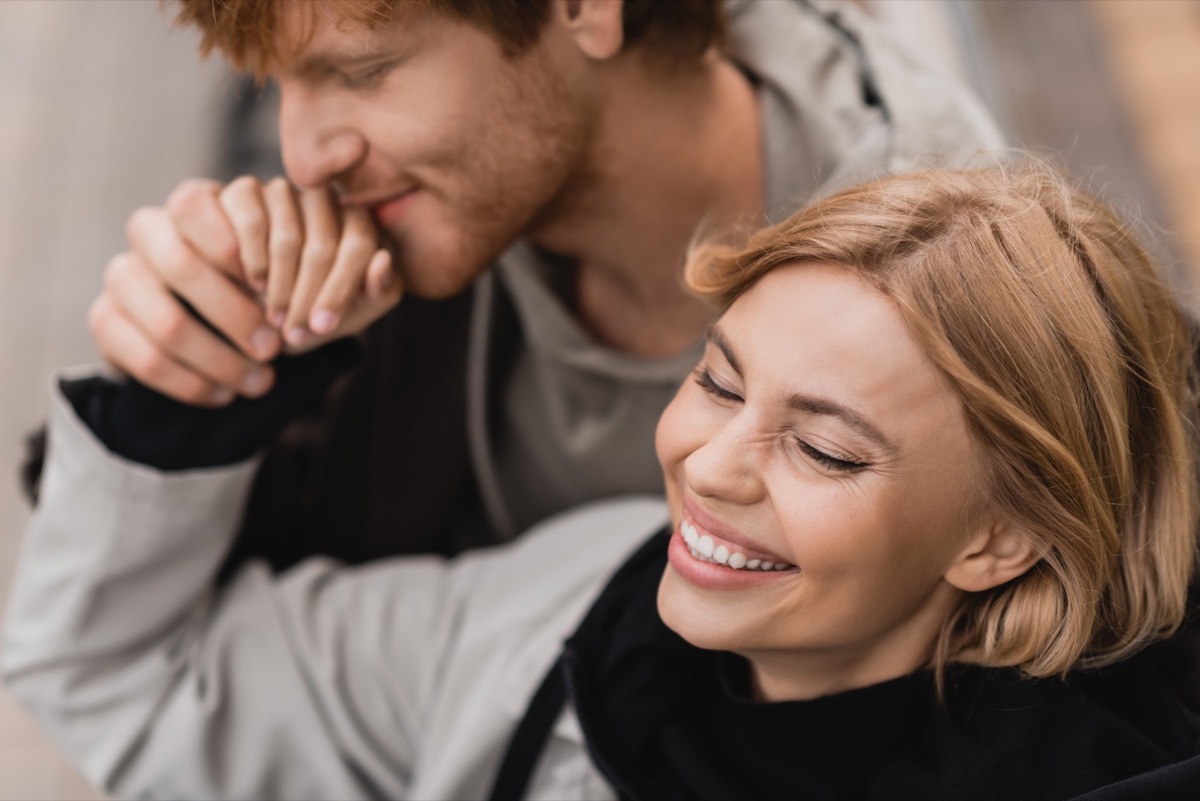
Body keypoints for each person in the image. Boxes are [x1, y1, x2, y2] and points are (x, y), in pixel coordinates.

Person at [5, 161, 1200, 800]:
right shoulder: (575, 610)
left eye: (826, 448)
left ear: (1002, 541)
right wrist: (194, 391)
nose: (711, 468)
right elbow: (131, 682)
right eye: (721, 382)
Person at [19, 0, 1004, 569]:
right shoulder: (387, 242)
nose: (302, 156)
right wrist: (200, 377)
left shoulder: (965, 341)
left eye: (362, 74)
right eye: (277, 86)